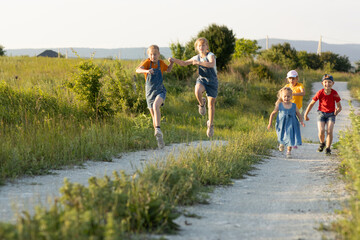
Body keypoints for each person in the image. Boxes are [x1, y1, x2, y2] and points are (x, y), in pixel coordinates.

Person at [170, 37, 218, 138]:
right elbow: (184, 63)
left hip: (212, 82)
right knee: (197, 91)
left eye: (203, 45)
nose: (201, 47)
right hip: (202, 79)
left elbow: (211, 64)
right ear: (197, 47)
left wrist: (199, 63)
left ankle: (210, 125)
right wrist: (174, 60)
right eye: (199, 46)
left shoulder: (210, 55)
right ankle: (201, 104)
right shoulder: (196, 57)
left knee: (211, 103)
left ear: (207, 46)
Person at [136, 45, 174, 149]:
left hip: (160, 90)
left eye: (155, 54)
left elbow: (168, 70)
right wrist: (147, 71)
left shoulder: (161, 63)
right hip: (149, 92)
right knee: (153, 115)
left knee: (156, 106)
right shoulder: (147, 63)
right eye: (151, 54)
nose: (153, 56)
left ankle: (157, 128)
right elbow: (138, 70)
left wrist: (171, 63)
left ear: (159, 54)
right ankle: (159, 138)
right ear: (149, 55)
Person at [303, 74, 342, 155]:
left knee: (329, 131)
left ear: (333, 83)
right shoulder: (320, 92)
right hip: (321, 113)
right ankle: (322, 143)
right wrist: (305, 114)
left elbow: (339, 107)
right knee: (321, 131)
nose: (327, 84)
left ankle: (328, 148)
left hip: (331, 114)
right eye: (325, 82)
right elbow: (311, 104)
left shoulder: (334, 93)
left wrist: (336, 111)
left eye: (329, 82)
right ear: (322, 83)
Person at [267, 87, 305, 157]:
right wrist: (270, 123)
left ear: (291, 97)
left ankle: (289, 152)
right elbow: (273, 114)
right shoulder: (279, 105)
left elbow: (298, 114)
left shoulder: (294, 105)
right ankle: (281, 143)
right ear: (282, 96)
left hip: (291, 124)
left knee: (290, 137)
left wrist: (301, 121)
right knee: (281, 135)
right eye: (285, 96)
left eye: (288, 96)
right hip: (281, 124)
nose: (286, 98)